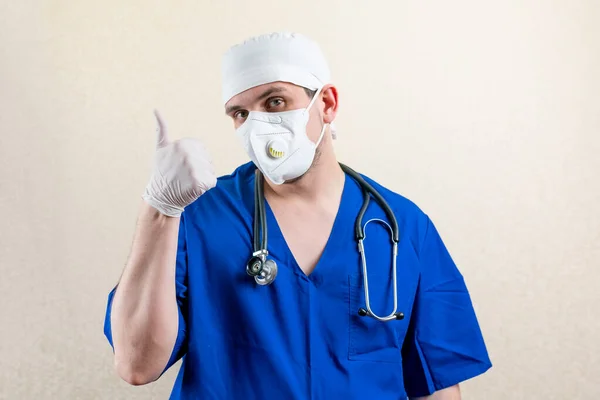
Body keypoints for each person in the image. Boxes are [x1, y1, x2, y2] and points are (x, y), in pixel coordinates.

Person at [103, 32, 492, 399]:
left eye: (275, 102)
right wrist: (158, 208)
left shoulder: (401, 227)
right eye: (240, 113)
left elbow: (436, 386)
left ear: (327, 104)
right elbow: (137, 365)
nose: (257, 125)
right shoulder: (196, 216)